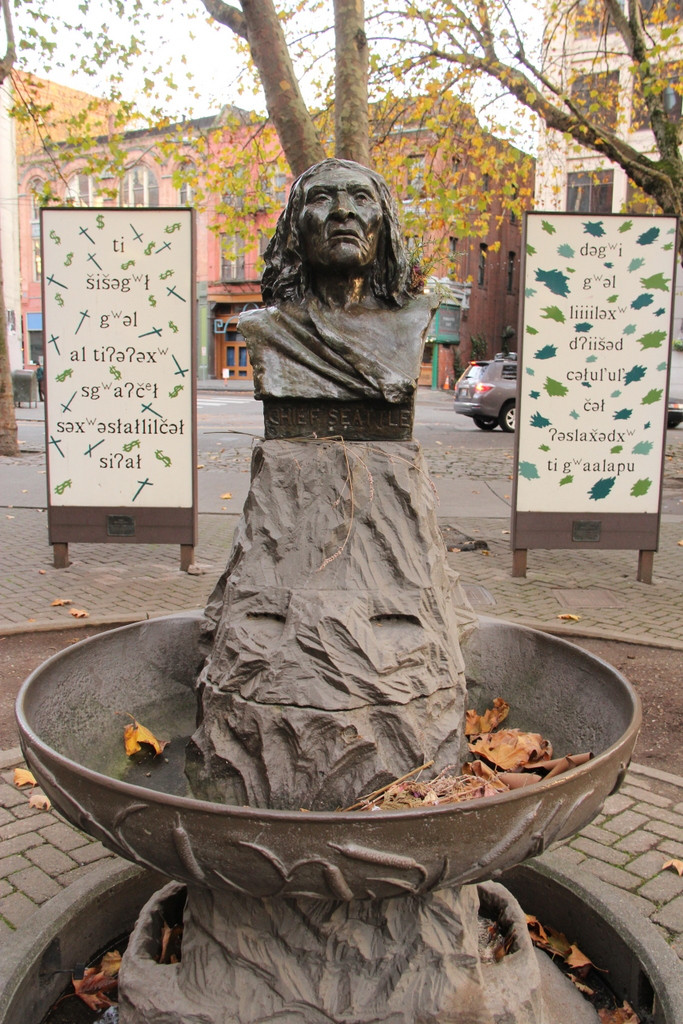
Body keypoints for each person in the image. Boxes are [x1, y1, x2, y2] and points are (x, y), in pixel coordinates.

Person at [239, 158, 436, 405]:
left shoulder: (413, 318)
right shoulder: (266, 327)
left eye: (361, 197)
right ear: (295, 228)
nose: (342, 210)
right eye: (321, 198)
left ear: (384, 224)